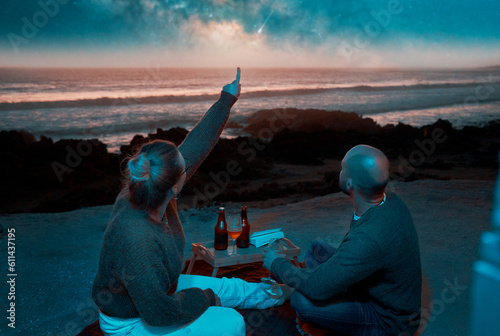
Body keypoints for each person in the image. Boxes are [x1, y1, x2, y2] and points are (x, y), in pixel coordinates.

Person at [92, 68, 289, 336]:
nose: (190, 167)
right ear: (174, 186)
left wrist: (226, 100)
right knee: (232, 322)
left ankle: (280, 293)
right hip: (132, 320)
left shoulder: (149, 187)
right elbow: (160, 314)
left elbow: (195, 147)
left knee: (229, 286)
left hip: (162, 289)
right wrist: (207, 300)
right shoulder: (137, 240)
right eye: (186, 169)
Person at [264, 144, 422, 336]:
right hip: (369, 284)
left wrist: (276, 264)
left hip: (387, 320)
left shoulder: (371, 236)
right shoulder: (390, 201)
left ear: (349, 184)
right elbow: (359, 253)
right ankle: (323, 285)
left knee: (301, 301)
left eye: (342, 168)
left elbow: (318, 287)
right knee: (316, 250)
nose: (339, 171)